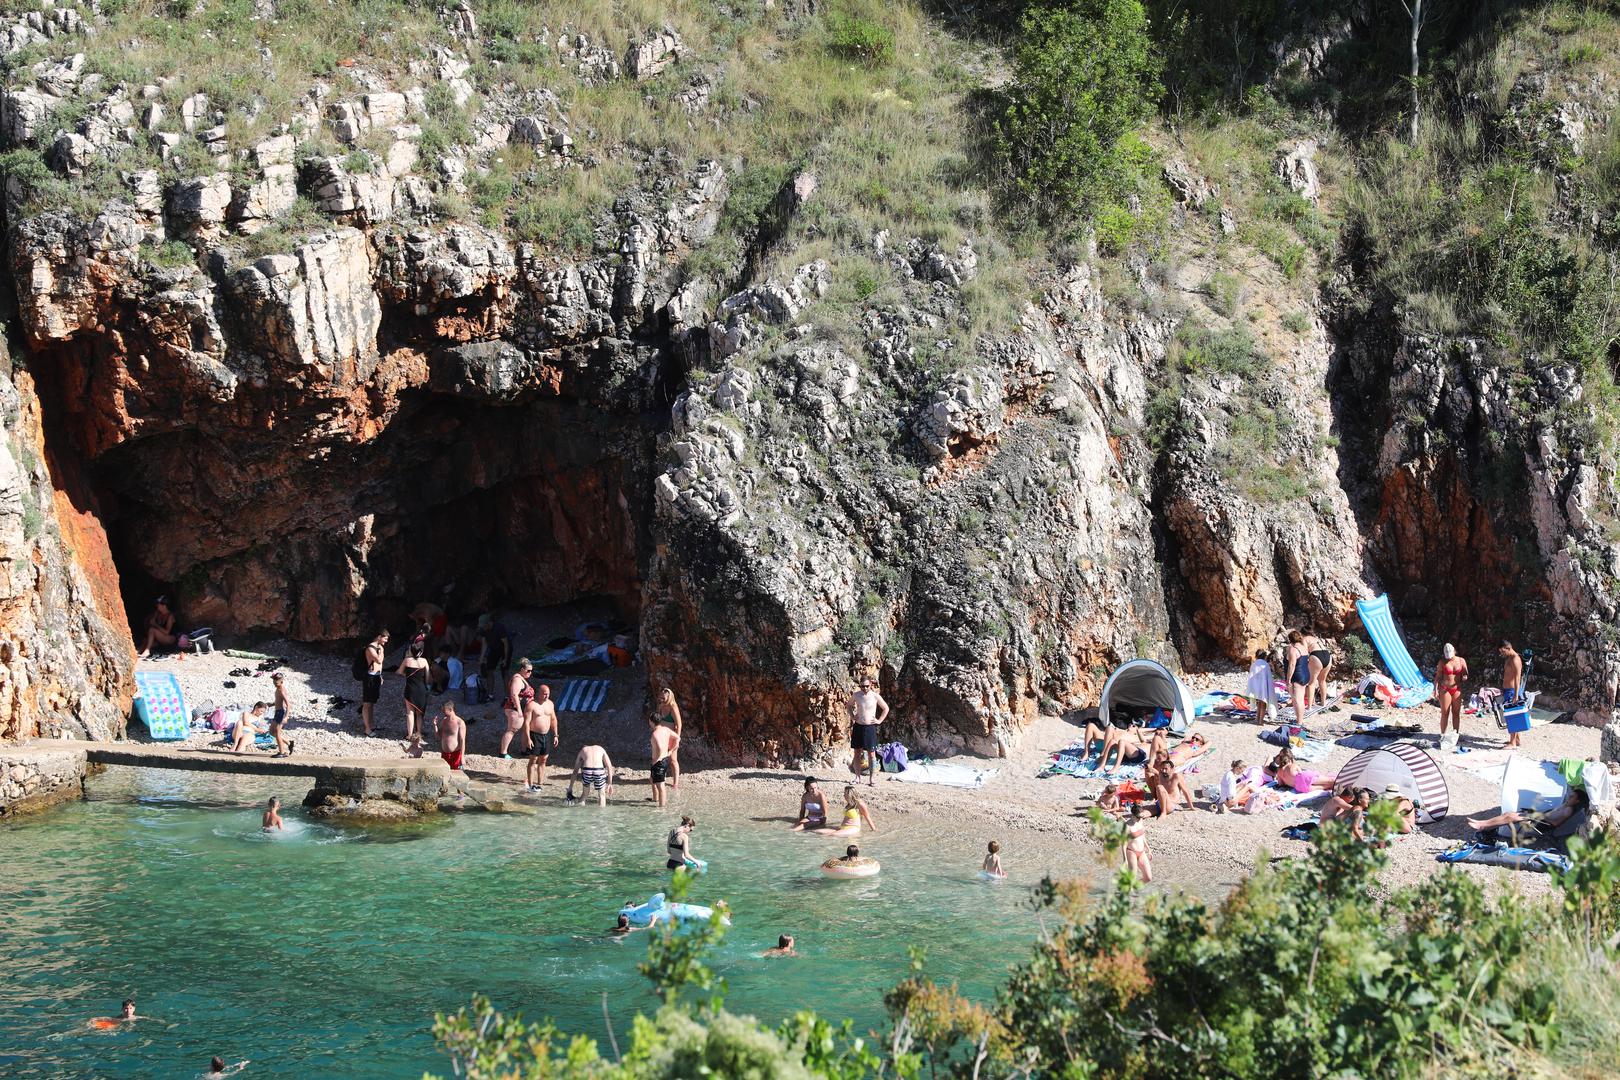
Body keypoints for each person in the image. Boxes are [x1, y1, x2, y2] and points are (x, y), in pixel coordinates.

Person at [1466, 786, 1588, 837]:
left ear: (1577, 801)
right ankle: (1483, 824)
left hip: (1541, 823)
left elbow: (1556, 824)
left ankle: (1482, 826)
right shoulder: (1565, 805)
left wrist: (1538, 817)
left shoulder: (1568, 810)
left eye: (1572, 797)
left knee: (1510, 817)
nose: (1569, 797)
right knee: (1508, 814)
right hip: (1538, 818)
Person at [849, 675, 890, 785]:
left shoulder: (875, 696)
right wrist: (853, 716)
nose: (865, 688)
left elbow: (886, 708)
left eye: (867, 686)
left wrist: (879, 720)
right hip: (858, 726)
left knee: (872, 754)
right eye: (862, 686)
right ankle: (857, 777)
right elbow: (849, 706)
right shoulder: (856, 695)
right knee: (857, 753)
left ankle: (872, 779)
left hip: (870, 727)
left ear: (871, 685)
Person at [524, 684, 559, 792]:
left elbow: (553, 719)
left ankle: (540, 783)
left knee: (543, 759)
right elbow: (526, 723)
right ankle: (530, 784)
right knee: (533, 759)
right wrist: (528, 738)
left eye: (548, 694)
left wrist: (556, 735)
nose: (547, 696)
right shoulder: (531, 705)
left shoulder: (550, 704)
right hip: (535, 735)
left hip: (546, 735)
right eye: (544, 694)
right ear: (538, 693)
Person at [398, 642, 431, 755]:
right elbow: (427, 677)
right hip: (421, 690)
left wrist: (407, 675)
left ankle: (409, 735)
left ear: (411, 651)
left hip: (410, 689)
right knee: (419, 714)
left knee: (410, 713)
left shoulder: (407, 661)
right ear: (421, 651)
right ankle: (419, 734)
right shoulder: (424, 661)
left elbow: (399, 672)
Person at [500, 658, 534, 759]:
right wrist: (519, 710)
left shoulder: (521, 678)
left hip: (522, 710)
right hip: (514, 709)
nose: (530, 673)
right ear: (522, 669)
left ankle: (524, 750)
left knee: (524, 729)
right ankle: (503, 753)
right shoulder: (517, 679)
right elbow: (514, 694)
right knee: (512, 730)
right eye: (528, 670)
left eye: (531, 670)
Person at [652, 687, 684, 790]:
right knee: (660, 758)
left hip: (671, 736)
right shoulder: (660, 705)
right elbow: (657, 719)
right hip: (662, 736)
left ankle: (676, 782)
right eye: (660, 696)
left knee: (673, 760)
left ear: (669, 697)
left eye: (663, 697)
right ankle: (661, 777)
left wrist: (677, 739)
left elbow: (679, 725)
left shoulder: (673, 707)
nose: (661, 698)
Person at [1265, 747, 1336, 793]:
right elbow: (1301, 774)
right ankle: (1343, 785)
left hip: (1300, 788)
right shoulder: (1293, 766)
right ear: (1289, 759)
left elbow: (1281, 784)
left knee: (1326, 786)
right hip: (1305, 778)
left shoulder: (1279, 772)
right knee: (1330, 781)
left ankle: (1340, 787)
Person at [1435, 643, 1469, 743]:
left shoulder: (1461, 660)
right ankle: (1443, 734)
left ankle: (1456, 734)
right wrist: (1435, 689)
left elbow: (1466, 673)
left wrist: (1465, 677)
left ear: (1454, 651)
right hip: (1445, 688)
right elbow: (1438, 676)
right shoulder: (1442, 662)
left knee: (1456, 713)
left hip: (1456, 688)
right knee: (1445, 713)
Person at [1148, 751, 1196, 817]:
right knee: (1141, 813)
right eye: (1162, 769)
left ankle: (1163, 813)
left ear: (1172, 769)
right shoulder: (1161, 775)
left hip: (1171, 804)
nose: (1163, 771)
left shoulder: (1177, 777)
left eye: (1166, 769)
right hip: (1160, 803)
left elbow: (1185, 791)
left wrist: (1191, 806)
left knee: (1159, 787)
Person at [361, 628, 388, 736]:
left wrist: (380, 675)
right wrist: (381, 651)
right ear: (379, 637)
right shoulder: (371, 648)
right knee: (367, 703)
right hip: (369, 677)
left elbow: (380, 665)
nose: (386, 641)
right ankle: (367, 729)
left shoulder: (380, 647)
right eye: (385, 639)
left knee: (372, 702)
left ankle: (371, 725)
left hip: (376, 676)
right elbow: (379, 660)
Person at [479, 614, 512, 701]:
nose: (483, 628)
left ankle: (508, 697)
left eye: (484, 625)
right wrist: (482, 657)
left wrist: (505, 658)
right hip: (494, 649)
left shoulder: (499, 628)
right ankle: (490, 695)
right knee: (489, 670)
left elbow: (506, 644)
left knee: (504, 671)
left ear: (489, 623)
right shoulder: (483, 629)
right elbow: (484, 643)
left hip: (504, 648)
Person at [1500, 641, 1525, 748]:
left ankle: (1512, 742)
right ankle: (1517, 739)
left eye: (1502, 651)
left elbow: (1518, 678)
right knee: (1511, 715)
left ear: (1508, 648)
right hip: (1507, 690)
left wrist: (1515, 695)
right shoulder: (1509, 659)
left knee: (1513, 715)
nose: (1502, 654)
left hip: (1512, 691)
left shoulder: (1515, 659)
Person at [650, 716, 678, 807]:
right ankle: (655, 799)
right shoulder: (666, 729)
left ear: (651, 721)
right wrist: (671, 751)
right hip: (664, 760)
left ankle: (662, 808)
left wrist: (658, 759)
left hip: (659, 762)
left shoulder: (655, 734)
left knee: (660, 786)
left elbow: (660, 747)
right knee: (652, 779)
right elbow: (678, 738)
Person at [1286, 630, 1311, 725]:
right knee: (1299, 699)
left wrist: (1288, 679)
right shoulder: (1303, 648)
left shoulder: (1293, 649)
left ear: (1290, 640)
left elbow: (1292, 665)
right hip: (1305, 674)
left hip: (1298, 675)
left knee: (1298, 700)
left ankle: (1300, 722)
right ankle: (1298, 719)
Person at [1123, 803, 1153, 882]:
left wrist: (1148, 848)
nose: (1140, 819)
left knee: (1148, 878)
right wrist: (1124, 859)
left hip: (1141, 852)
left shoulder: (1140, 821)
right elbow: (1124, 844)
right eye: (1138, 817)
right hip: (1131, 851)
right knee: (1132, 877)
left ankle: (1133, 889)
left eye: (1141, 817)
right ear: (1132, 815)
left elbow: (1142, 835)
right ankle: (1127, 892)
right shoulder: (1127, 826)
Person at [1306, 630, 1334, 708]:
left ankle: (1309, 706)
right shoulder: (1317, 639)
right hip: (1327, 655)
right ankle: (1323, 703)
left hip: (1316, 656)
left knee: (1311, 683)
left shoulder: (1305, 638)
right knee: (1322, 680)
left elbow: (1305, 652)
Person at [436, 701, 467, 771]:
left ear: (450, 709)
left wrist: (462, 757)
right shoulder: (444, 721)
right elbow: (438, 736)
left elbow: (462, 740)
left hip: (455, 755)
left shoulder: (460, 723)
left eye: (444, 710)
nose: (443, 712)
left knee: (456, 776)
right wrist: (435, 725)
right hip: (444, 754)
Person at [1246, 649, 1274, 723]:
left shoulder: (1254, 664)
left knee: (1258, 703)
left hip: (1255, 687)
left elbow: (1251, 676)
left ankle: (1257, 718)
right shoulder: (1265, 664)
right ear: (1265, 656)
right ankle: (1261, 720)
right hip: (1263, 687)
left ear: (1256, 656)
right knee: (1263, 703)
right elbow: (1268, 677)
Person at [269, 673, 293, 757]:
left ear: (281, 681)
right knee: (271, 731)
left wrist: (286, 717)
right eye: (274, 682)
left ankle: (282, 752)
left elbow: (288, 705)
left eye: (276, 683)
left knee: (277, 732)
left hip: (281, 713)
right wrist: (272, 704)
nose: (275, 684)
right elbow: (279, 700)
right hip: (277, 712)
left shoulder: (281, 690)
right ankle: (288, 743)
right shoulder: (278, 688)